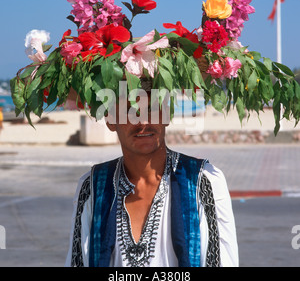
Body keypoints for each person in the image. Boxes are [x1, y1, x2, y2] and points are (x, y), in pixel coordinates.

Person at [65, 90, 239, 267]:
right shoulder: (93, 186)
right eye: (130, 110)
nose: (143, 122)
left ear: (166, 114)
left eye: (151, 109)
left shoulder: (203, 181)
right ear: (110, 119)